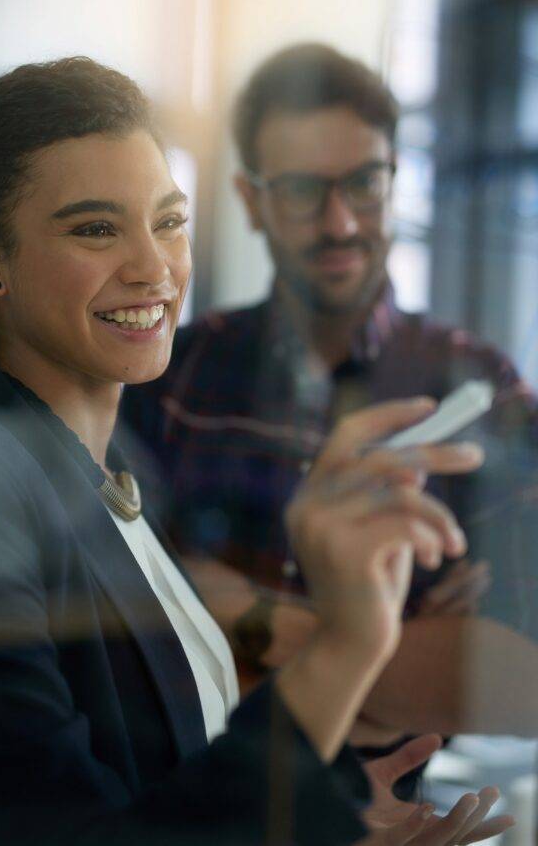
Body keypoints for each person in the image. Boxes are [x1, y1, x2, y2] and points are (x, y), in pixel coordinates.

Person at [0, 58, 511, 846]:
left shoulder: (119, 470)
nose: (153, 268)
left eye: (168, 220)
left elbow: (161, 791)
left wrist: (318, 820)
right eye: (95, 228)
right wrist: (347, 642)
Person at [118, 42, 538, 741]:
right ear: (252, 200)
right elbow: (119, 632)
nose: (341, 222)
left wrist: (246, 615)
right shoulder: (169, 375)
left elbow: (524, 677)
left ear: (395, 180)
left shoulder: (481, 389)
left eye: (365, 183)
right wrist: (382, 643)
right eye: (305, 191)